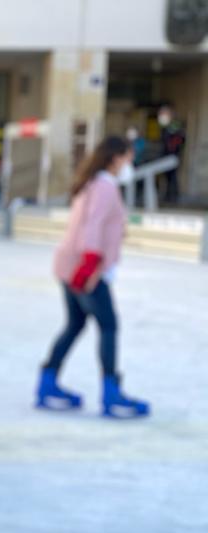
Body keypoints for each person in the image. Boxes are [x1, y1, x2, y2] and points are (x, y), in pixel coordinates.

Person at [35, 136, 149, 419]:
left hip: (70, 264)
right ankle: (111, 393)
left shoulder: (91, 183)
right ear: (115, 158)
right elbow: (94, 224)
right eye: (127, 157)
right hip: (86, 268)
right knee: (109, 326)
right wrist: (90, 261)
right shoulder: (105, 187)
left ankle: (47, 382)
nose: (129, 163)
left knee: (75, 324)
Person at [157, 104, 185, 205]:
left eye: (163, 114)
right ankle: (168, 196)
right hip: (166, 155)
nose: (161, 116)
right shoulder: (164, 126)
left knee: (173, 177)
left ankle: (173, 197)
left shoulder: (174, 125)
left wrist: (173, 151)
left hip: (173, 156)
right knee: (167, 177)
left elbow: (179, 140)